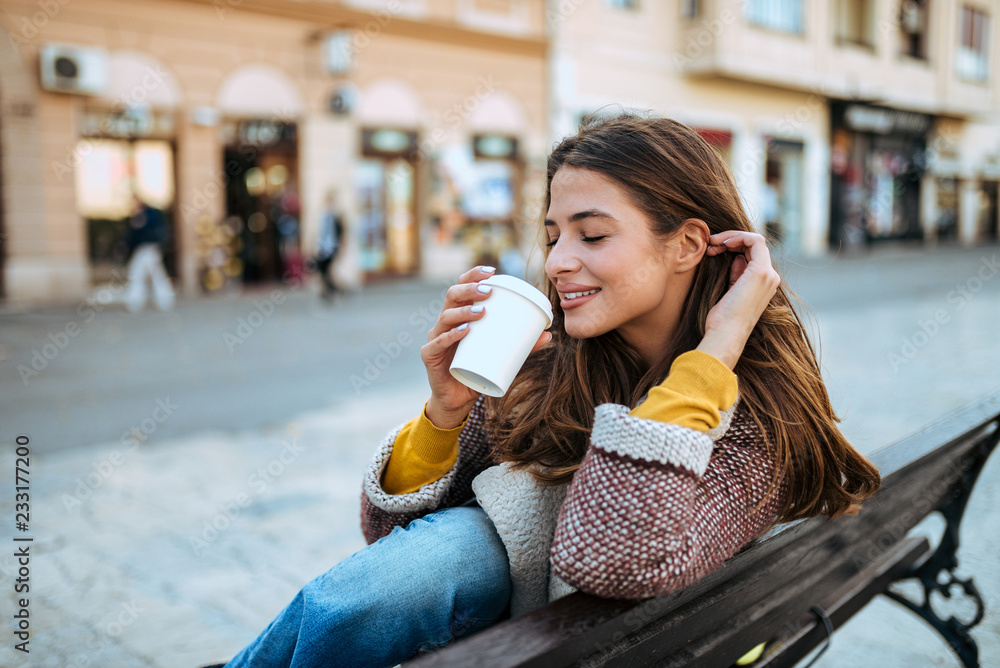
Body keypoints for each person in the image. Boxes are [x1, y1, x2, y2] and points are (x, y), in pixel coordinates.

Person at [220, 114, 881, 668]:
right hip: (546, 641)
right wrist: (446, 413)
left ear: (686, 245)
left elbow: (612, 556)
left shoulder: (756, 419)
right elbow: (389, 542)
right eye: (553, 235)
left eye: (592, 235)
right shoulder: (559, 362)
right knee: (425, 562)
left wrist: (718, 349)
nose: (559, 259)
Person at [123, 195, 175, 313]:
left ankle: (162, 300)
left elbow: (156, 231)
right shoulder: (139, 215)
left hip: (150, 248)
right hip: (143, 249)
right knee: (146, 274)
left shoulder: (150, 214)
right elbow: (133, 235)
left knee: (148, 274)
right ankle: (159, 300)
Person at [315, 192, 344, 301]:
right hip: (323, 247)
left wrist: (339, 246)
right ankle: (330, 291)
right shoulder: (324, 215)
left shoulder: (335, 215)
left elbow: (339, 232)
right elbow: (320, 232)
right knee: (323, 270)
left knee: (325, 269)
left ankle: (334, 291)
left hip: (330, 247)